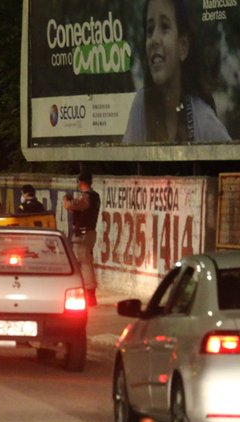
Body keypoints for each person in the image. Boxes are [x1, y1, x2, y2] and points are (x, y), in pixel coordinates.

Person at [122, 0, 231, 143]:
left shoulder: (203, 119)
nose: (154, 39)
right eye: (150, 30)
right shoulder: (140, 106)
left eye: (164, 26)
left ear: (183, 47)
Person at [64, 172, 101, 306]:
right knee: (86, 262)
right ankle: (89, 293)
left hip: (83, 234)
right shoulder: (95, 196)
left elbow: (69, 205)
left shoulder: (86, 197)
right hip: (88, 233)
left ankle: (89, 294)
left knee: (84, 264)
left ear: (81, 182)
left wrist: (66, 199)